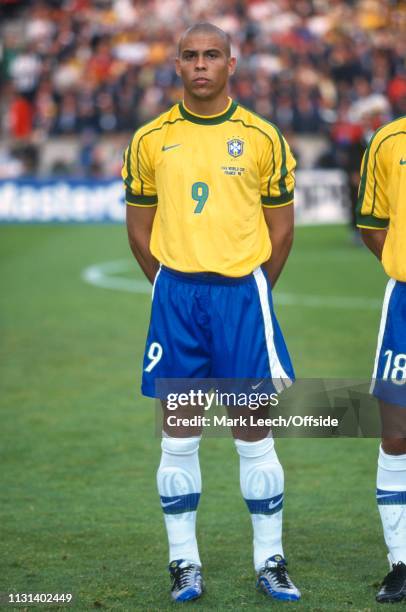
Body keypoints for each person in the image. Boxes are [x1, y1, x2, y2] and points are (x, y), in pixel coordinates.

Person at [122, 22, 300, 603]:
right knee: (179, 435)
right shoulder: (151, 138)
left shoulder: (262, 137)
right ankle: (184, 563)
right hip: (176, 297)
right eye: (190, 56)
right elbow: (139, 226)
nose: (201, 64)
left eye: (212, 55)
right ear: (177, 65)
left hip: (241, 297)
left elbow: (281, 230)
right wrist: (172, 283)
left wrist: (248, 288)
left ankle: (270, 560)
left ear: (231, 63)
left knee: (255, 433)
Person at [356, 115, 406, 604]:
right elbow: (373, 225)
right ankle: (401, 561)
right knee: (397, 432)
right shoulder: (389, 141)